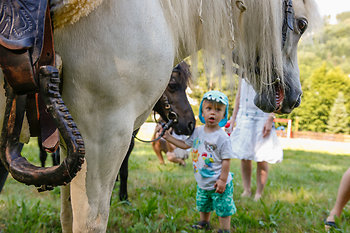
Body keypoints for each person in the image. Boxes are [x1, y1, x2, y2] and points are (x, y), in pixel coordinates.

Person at [163, 90, 236, 233]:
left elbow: (226, 160)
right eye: (209, 109)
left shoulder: (222, 137)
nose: (213, 113)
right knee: (203, 203)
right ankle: (204, 222)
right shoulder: (197, 132)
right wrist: (168, 138)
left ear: (224, 114)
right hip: (202, 180)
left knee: (223, 206)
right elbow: (185, 145)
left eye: (218, 110)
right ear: (202, 112)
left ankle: (225, 229)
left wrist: (222, 180)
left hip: (218, 182)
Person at [227, 78, 283, 201]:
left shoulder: (269, 71)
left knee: (262, 158)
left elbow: (277, 96)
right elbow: (239, 97)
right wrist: (233, 118)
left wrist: (270, 118)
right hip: (244, 117)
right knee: (245, 157)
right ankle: (246, 190)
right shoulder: (244, 73)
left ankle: (259, 192)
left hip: (262, 117)